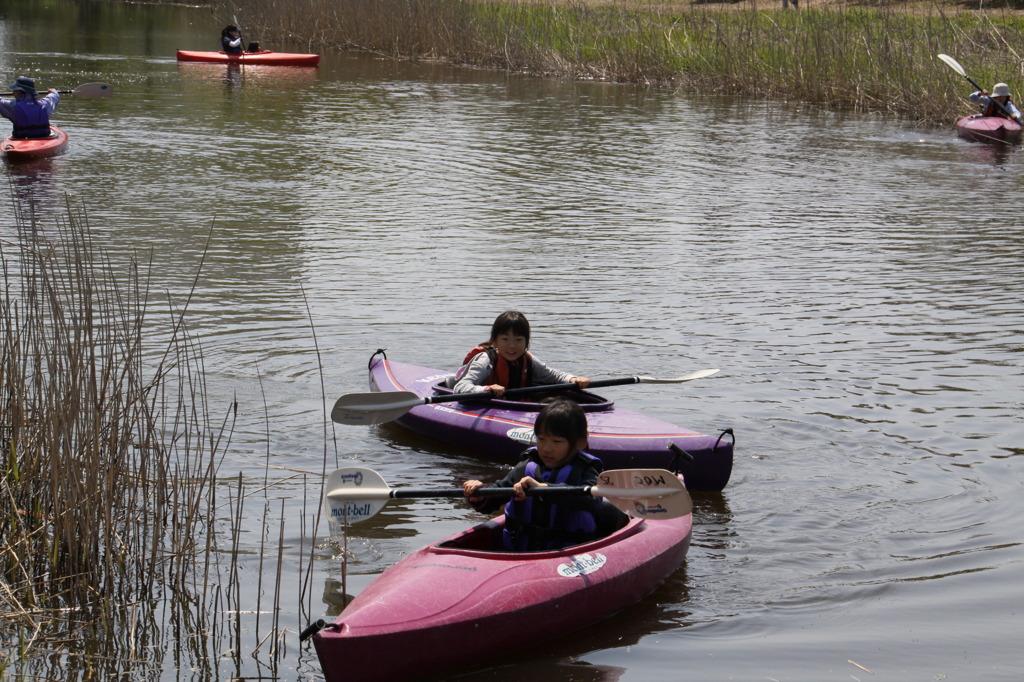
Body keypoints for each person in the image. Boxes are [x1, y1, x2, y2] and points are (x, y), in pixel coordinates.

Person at [463, 399, 623, 551]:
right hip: (520, 553)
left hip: (570, 554)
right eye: (541, 439)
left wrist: (542, 489)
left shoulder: (587, 469)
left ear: (580, 443)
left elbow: (591, 501)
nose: (546, 448)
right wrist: (480, 495)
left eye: (556, 442)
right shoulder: (526, 467)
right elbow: (496, 497)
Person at [452, 310, 590, 397]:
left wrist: (573, 379)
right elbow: (460, 387)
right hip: (488, 404)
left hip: (515, 405)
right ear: (494, 341)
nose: (512, 346)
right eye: (505, 339)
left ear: (526, 343)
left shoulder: (528, 359)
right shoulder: (486, 361)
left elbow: (553, 376)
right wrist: (486, 389)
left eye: (518, 340)